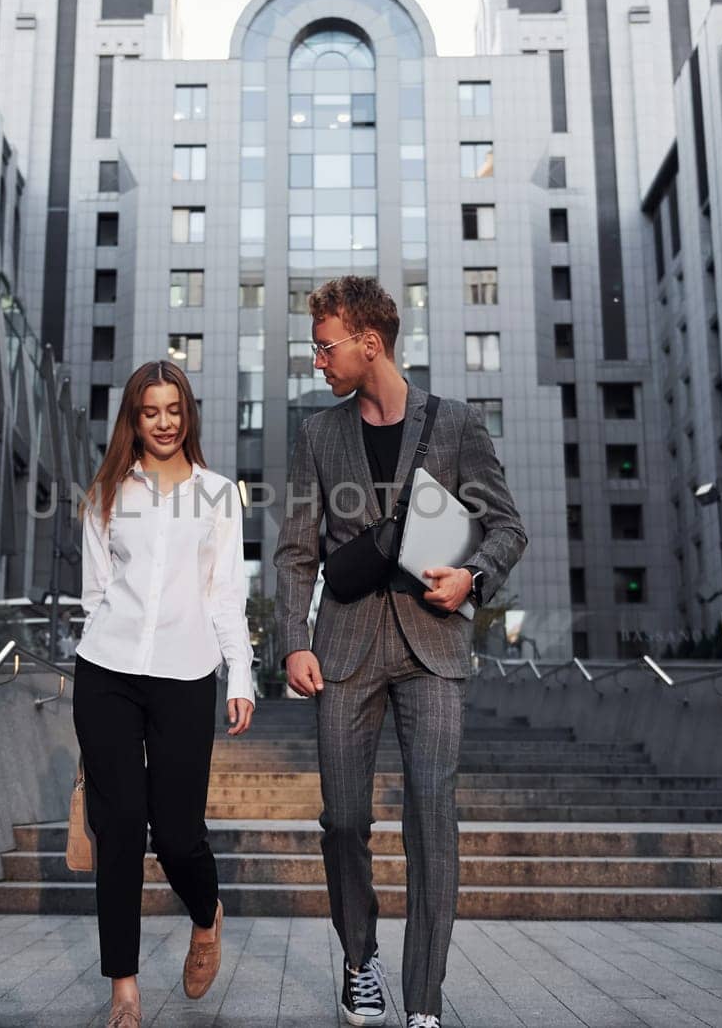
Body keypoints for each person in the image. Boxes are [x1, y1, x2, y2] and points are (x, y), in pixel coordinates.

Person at [274, 276, 527, 1028]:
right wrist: (291, 641)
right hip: (344, 647)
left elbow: (506, 526)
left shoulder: (455, 425)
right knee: (344, 819)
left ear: (368, 343)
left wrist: (473, 577)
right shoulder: (317, 435)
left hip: (434, 648)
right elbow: (295, 551)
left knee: (430, 817)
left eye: (326, 346)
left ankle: (423, 1002)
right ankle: (360, 960)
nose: (317, 361)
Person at [74, 359, 257, 1028]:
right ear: (134, 417)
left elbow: (224, 594)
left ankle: (205, 916)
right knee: (119, 830)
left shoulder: (216, 494)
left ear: (188, 413)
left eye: (172, 409)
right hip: (106, 673)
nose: (162, 422)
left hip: (186, 675)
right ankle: (123, 988)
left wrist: (240, 674)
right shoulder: (105, 492)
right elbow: (94, 595)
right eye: (149, 411)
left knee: (178, 836)